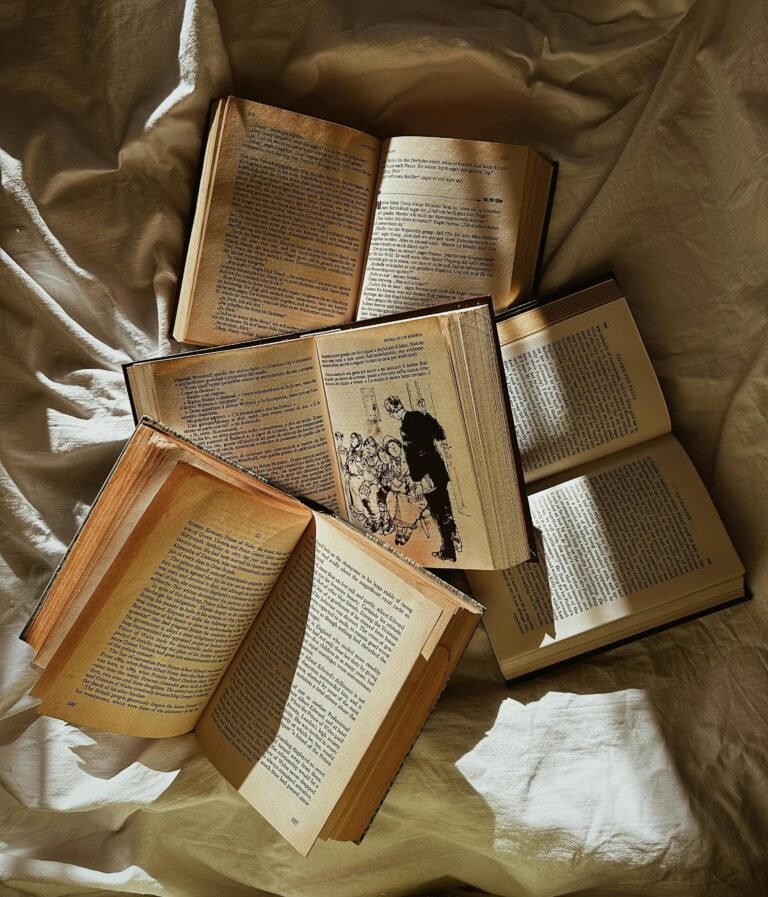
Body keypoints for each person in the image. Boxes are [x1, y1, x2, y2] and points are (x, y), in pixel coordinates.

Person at [383, 395, 461, 561]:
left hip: (427, 475)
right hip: (438, 469)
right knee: (445, 508)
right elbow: (440, 434)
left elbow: (415, 456)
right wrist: (426, 413)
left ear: (392, 412)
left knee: (439, 513)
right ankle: (455, 540)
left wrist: (417, 478)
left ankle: (449, 551)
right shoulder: (419, 415)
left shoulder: (405, 427)